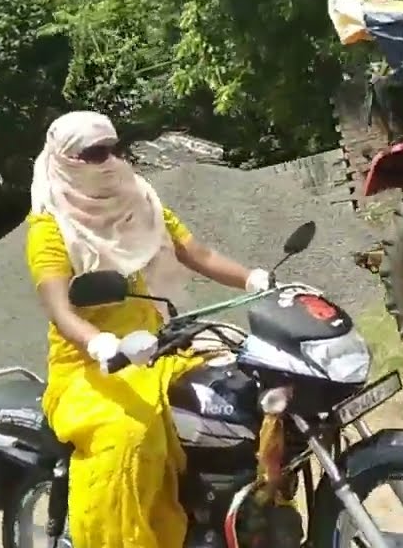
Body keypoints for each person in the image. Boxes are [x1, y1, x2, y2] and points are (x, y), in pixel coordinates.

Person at [27, 110, 301, 548]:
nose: (110, 162)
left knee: (249, 383)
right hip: (93, 367)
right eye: (95, 154)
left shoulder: (139, 199)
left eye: (115, 149)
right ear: (66, 161)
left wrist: (255, 279)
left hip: (160, 346)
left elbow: (196, 252)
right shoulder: (50, 226)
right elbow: (59, 309)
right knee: (130, 435)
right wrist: (99, 343)